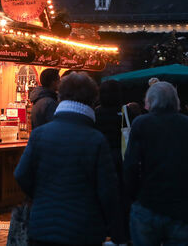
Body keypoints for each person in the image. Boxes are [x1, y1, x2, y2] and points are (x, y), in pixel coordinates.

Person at [14, 72, 121, 246]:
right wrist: (115, 230)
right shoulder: (95, 139)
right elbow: (108, 190)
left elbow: (21, 174)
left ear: (60, 96)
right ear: (92, 100)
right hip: (83, 228)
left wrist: (42, 195)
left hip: (42, 226)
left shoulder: (39, 134)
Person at [123, 81, 188, 245]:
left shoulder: (141, 124)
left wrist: (133, 196)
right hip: (181, 207)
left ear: (149, 101)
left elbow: (130, 164)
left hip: (148, 204)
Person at [94, 80, 130, 244]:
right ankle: (122, 232)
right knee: (122, 197)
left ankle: (105, 230)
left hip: (102, 161)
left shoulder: (96, 113)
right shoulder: (126, 112)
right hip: (122, 160)